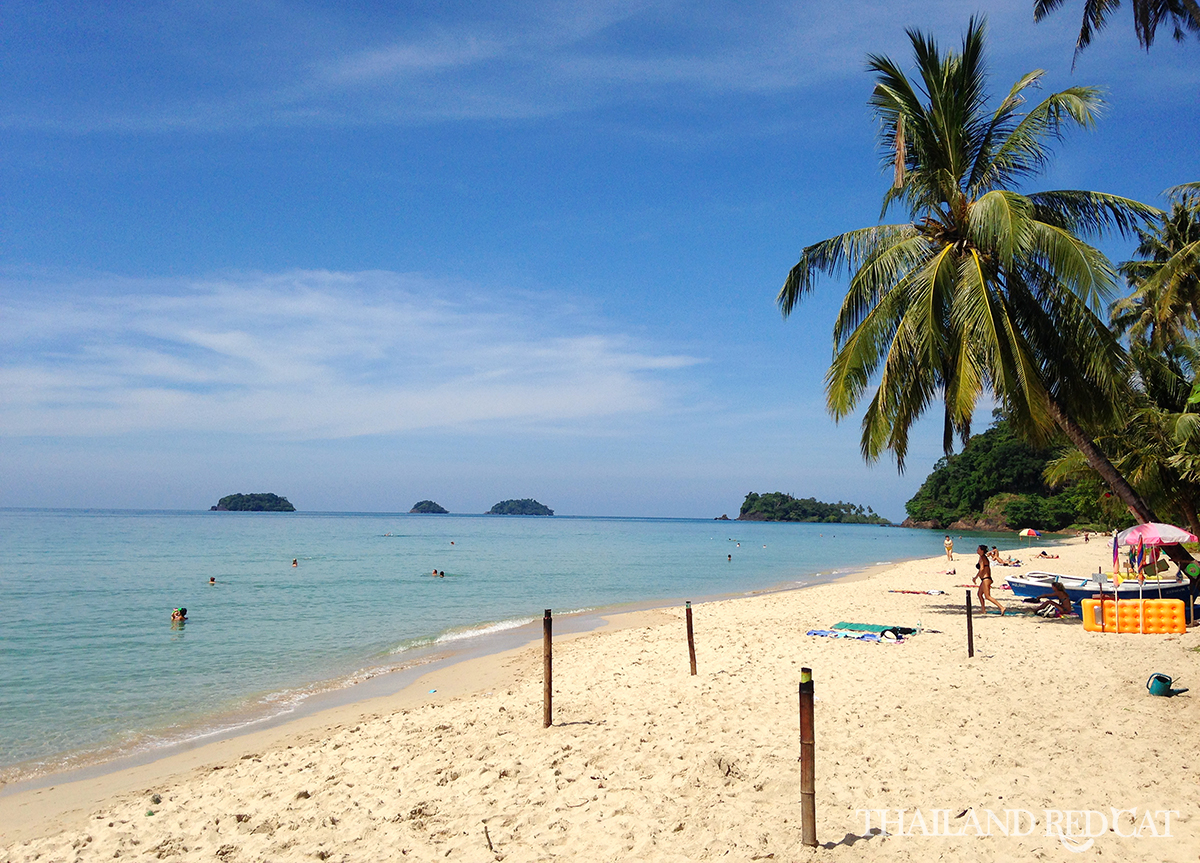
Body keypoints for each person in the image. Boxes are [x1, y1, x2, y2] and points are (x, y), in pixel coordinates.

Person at [973, 545, 1005, 615]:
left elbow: (981, 569)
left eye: (978, 549)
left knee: (987, 596)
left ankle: (1001, 607)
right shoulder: (983, 557)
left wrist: (975, 577)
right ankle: (983, 610)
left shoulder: (982, 558)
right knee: (979, 594)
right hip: (985, 579)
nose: (977, 550)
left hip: (986, 579)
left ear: (982, 551)